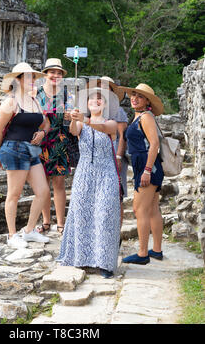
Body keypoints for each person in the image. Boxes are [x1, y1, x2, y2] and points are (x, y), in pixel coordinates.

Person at [56, 87, 121, 279]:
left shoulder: (111, 123)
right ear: (87, 104)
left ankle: (105, 263)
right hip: (85, 172)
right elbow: (73, 130)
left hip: (105, 173)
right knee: (83, 213)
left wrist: (83, 119)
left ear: (105, 105)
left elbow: (103, 129)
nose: (96, 101)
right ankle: (82, 257)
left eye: (100, 99)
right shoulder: (81, 124)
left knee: (104, 214)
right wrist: (76, 118)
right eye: (92, 99)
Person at [0, 62, 51, 249]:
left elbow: (46, 123)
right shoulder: (11, 102)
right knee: (14, 194)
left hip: (32, 150)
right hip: (13, 149)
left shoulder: (35, 102)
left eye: (33, 77)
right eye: (27, 77)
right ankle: (11, 235)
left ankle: (29, 231)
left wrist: (43, 133)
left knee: (43, 192)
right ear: (17, 80)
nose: (32, 80)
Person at [118, 83, 164, 265]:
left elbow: (154, 145)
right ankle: (157, 250)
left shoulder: (146, 117)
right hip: (147, 166)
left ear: (147, 101)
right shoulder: (139, 116)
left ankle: (143, 253)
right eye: (133, 95)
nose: (134, 98)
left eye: (140, 96)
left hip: (148, 167)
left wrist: (146, 170)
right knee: (152, 209)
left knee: (140, 209)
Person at [35, 58, 72, 235]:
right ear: (46, 74)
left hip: (60, 141)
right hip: (41, 142)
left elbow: (72, 118)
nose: (55, 75)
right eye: (52, 72)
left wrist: (69, 115)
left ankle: (60, 223)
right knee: (43, 184)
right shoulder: (37, 93)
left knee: (59, 183)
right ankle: (46, 221)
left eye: (59, 73)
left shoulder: (66, 95)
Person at [101, 77, 128, 226]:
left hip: (114, 155)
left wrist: (118, 157)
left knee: (117, 196)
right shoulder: (93, 110)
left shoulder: (118, 111)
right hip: (99, 157)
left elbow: (122, 136)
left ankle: (116, 232)